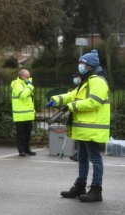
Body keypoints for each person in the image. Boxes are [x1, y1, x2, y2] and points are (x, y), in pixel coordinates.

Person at [45, 49, 110, 202]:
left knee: (94, 158)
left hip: (92, 128)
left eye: (83, 63)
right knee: (82, 157)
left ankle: (96, 189)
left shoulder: (98, 81)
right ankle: (80, 185)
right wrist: (56, 99)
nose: (80, 66)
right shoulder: (87, 81)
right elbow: (71, 95)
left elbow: (94, 102)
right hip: (84, 128)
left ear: (90, 66)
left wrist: (71, 106)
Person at [10, 69, 36, 156]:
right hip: (20, 115)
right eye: (27, 77)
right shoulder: (18, 84)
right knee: (21, 134)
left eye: (29, 76)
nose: (28, 78)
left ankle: (27, 149)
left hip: (28, 114)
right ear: (21, 76)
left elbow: (30, 100)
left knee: (27, 134)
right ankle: (21, 150)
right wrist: (30, 87)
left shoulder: (26, 84)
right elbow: (23, 96)